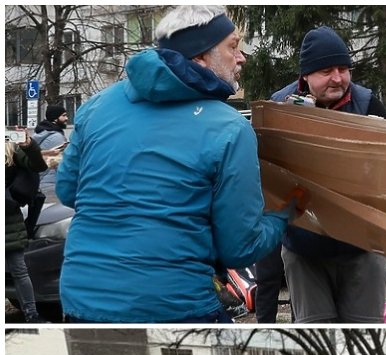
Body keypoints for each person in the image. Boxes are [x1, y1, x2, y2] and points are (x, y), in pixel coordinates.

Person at [56, 5, 292, 324]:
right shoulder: (229, 128)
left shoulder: (96, 106)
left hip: (81, 299)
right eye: (233, 46)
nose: (242, 58)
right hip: (173, 305)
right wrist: (285, 215)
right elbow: (240, 247)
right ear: (199, 58)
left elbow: (68, 191)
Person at [267, 26, 386, 324]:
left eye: (343, 69)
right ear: (305, 76)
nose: (338, 78)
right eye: (326, 71)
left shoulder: (368, 104)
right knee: (315, 331)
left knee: (365, 331)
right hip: (304, 248)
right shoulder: (279, 106)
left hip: (361, 246)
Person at [5, 130, 48, 322]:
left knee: (19, 271)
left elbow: (38, 165)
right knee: (20, 271)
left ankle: (32, 315)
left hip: (8, 221)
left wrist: (30, 146)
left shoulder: (10, 147)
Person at [31, 104, 69, 202]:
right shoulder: (56, 137)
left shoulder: (42, 132)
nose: (67, 118)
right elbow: (61, 164)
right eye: (64, 115)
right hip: (50, 184)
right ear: (55, 118)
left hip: (38, 182)